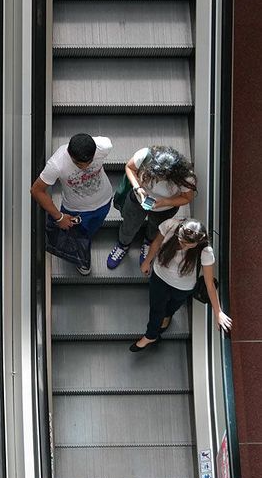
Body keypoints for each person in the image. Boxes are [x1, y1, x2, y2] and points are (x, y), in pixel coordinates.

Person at [129, 218, 232, 352]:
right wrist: (147, 261)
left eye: (189, 244)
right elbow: (156, 243)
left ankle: (167, 316)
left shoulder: (205, 252)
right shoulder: (170, 225)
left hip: (183, 287)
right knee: (156, 308)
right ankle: (151, 335)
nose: (182, 245)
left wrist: (218, 312)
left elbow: (209, 283)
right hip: (160, 277)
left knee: (173, 306)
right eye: (181, 240)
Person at [30, 132, 113, 275]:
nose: (85, 167)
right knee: (77, 238)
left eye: (89, 162)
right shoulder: (57, 164)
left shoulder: (103, 146)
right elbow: (36, 190)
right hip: (76, 210)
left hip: (104, 201)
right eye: (80, 164)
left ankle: (86, 239)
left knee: (90, 230)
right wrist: (59, 217)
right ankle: (81, 258)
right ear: (70, 154)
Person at [107, 145, 197, 269]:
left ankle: (148, 243)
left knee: (155, 229)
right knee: (129, 224)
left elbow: (187, 198)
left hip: (165, 209)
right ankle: (123, 245)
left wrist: (165, 202)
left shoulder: (185, 177)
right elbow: (129, 167)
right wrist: (138, 188)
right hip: (138, 199)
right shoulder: (145, 156)